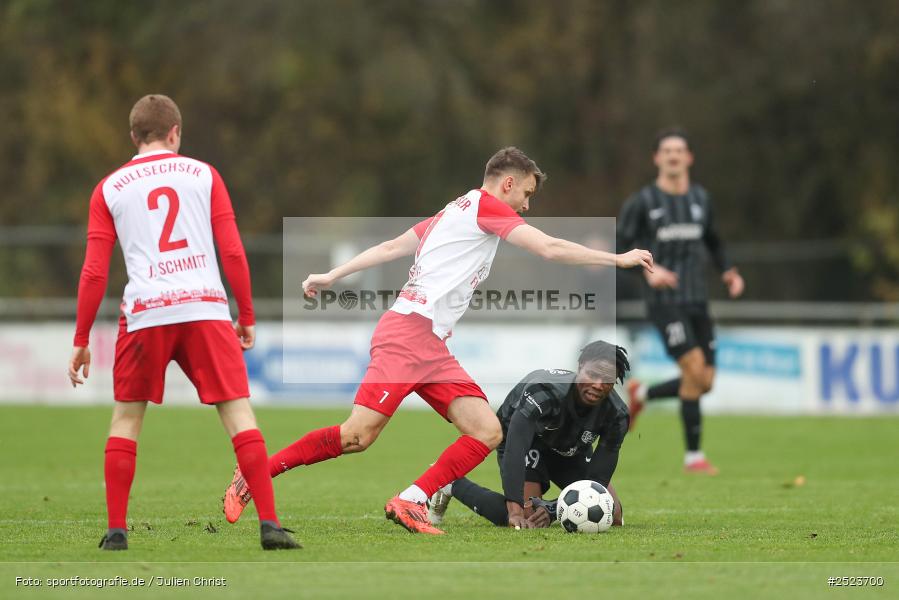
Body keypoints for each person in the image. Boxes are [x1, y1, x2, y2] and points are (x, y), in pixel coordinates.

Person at [223, 146, 653, 534]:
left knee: (487, 431)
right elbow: (549, 248)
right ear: (507, 183)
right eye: (526, 193)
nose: (527, 204)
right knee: (357, 436)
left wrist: (333, 275)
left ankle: (410, 500)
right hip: (408, 336)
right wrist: (618, 258)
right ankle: (254, 472)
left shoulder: (454, 211)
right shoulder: (487, 207)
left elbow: (392, 246)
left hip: (429, 344)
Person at [68, 94, 298, 551]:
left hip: (147, 311)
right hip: (205, 307)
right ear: (175, 132)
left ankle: (117, 532)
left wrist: (80, 338)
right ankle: (269, 524)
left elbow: (94, 270)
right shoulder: (203, 175)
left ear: (134, 137)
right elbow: (231, 249)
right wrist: (246, 313)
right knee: (237, 414)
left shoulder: (110, 188)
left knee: (127, 419)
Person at [617, 128, 745, 475]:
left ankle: (641, 394)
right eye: (667, 151)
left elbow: (714, 241)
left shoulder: (701, 199)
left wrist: (729, 271)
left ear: (689, 158)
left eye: (679, 150)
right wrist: (649, 273)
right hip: (664, 301)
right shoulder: (642, 202)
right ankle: (694, 458)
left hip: (697, 301)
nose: (673, 156)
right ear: (657, 159)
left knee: (705, 380)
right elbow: (619, 249)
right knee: (692, 369)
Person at [427, 341, 629, 529]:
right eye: (592, 374)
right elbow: (516, 446)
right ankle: (452, 485)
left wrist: (552, 509)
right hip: (526, 442)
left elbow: (597, 479)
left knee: (613, 513)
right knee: (525, 517)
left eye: (608, 379)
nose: (598, 384)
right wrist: (514, 509)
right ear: (580, 366)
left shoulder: (617, 415)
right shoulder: (544, 391)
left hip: (568, 449)